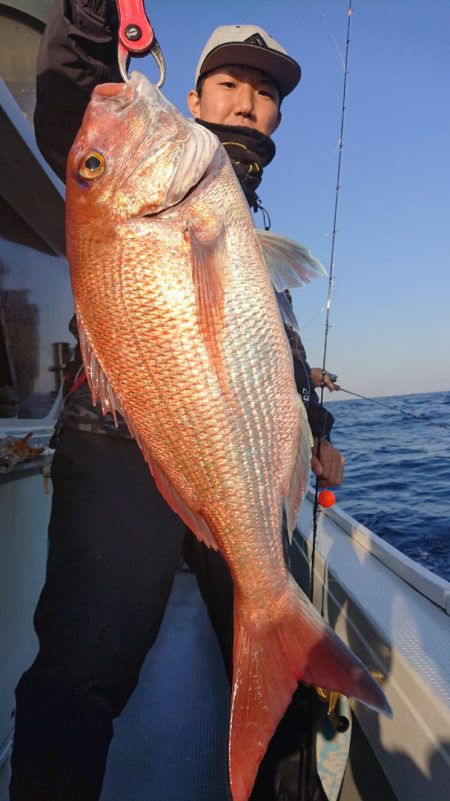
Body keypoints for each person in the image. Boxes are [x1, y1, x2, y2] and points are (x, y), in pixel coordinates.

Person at [10, 3, 344, 800]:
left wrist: (316, 428)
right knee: (80, 670)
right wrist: (94, 11)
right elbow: (73, 93)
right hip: (118, 441)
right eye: (229, 83)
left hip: (231, 458)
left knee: (286, 686)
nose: (247, 102)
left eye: (265, 93)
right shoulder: (135, 170)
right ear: (191, 100)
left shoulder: (234, 214)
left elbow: (271, 351)